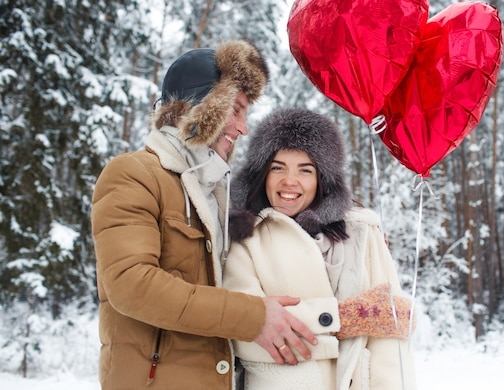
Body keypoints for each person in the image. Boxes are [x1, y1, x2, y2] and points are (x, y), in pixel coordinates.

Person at [91, 41, 317, 390]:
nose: (243, 128)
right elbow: (131, 284)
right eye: (236, 110)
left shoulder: (216, 191)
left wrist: (349, 230)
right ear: (203, 107)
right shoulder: (134, 173)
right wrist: (253, 318)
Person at [223, 107, 416, 390]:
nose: (290, 180)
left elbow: (390, 342)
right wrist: (348, 319)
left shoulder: (362, 232)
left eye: (305, 170)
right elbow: (244, 335)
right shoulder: (246, 238)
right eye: (278, 167)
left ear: (322, 179)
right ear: (262, 174)